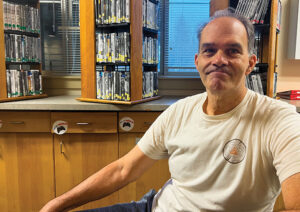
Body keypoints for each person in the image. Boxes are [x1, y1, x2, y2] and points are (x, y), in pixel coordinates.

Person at [40, 8, 300, 212]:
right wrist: (57, 204)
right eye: (209, 51)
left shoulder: (280, 120)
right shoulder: (179, 112)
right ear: (198, 61)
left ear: (250, 63)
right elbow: (124, 170)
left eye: (232, 51)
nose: (218, 60)